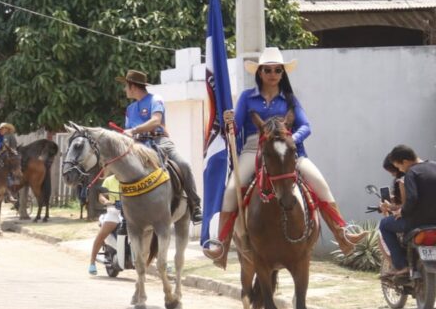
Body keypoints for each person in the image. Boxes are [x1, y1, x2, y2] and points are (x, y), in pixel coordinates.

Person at [203, 47, 365, 266]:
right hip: (255, 149)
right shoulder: (246, 97)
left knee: (320, 183)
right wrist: (229, 122)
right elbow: (236, 127)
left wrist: (290, 141)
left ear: (282, 73)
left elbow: (306, 126)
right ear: (259, 72)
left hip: (290, 151)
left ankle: (342, 233)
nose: (273, 74)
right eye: (268, 70)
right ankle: (221, 244)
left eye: (277, 70)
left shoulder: (289, 99)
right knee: (232, 189)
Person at [117, 69, 202, 223]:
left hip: (160, 142)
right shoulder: (130, 110)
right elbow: (128, 133)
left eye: (126, 86)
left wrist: (134, 130)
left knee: (184, 165)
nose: (124, 90)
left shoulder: (155, 99)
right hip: (138, 146)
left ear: (133, 86)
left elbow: (156, 121)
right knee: (123, 170)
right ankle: (124, 213)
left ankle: (195, 205)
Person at [379, 145, 436, 277]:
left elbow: (412, 198)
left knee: (385, 225)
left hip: (416, 222)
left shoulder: (411, 172)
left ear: (405, 161)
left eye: (398, 167)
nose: (400, 170)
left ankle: (401, 266)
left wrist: (402, 212)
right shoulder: (434, 165)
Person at [87, 175, 122, 276]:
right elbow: (101, 196)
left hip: (129, 213)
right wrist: (106, 201)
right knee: (102, 235)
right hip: (114, 212)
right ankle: (92, 262)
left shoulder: (131, 178)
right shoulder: (109, 180)